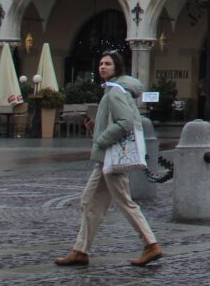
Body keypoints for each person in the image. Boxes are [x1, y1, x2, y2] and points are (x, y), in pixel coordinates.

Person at [54, 51, 162, 268]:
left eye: (108, 64)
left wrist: (101, 139)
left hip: (112, 158)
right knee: (89, 201)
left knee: (124, 202)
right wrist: (97, 129)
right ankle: (80, 250)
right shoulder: (115, 90)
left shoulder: (115, 92)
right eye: (101, 63)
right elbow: (118, 121)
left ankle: (151, 244)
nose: (102, 67)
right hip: (106, 158)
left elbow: (125, 122)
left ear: (117, 67)